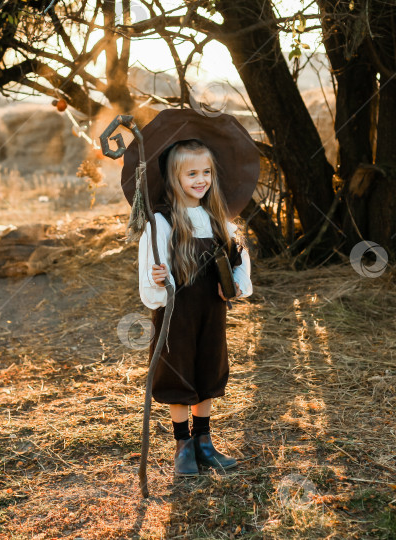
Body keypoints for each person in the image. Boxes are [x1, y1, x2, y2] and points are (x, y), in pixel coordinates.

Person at [138, 138, 253, 476]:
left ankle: (204, 442)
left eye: (206, 172)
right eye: (191, 174)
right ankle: (183, 445)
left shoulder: (218, 218)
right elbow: (150, 270)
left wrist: (233, 283)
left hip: (211, 311)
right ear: (175, 178)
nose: (200, 180)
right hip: (177, 314)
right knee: (179, 371)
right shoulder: (161, 223)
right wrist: (158, 278)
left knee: (208, 368)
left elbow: (239, 258)